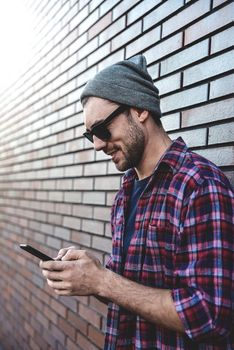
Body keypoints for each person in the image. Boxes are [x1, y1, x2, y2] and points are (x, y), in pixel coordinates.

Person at [40, 55, 234, 349]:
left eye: (102, 129)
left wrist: (103, 281)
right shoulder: (125, 193)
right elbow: (125, 288)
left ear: (141, 109)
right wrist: (89, 274)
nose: (98, 145)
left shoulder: (199, 185)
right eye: (90, 135)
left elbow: (210, 315)